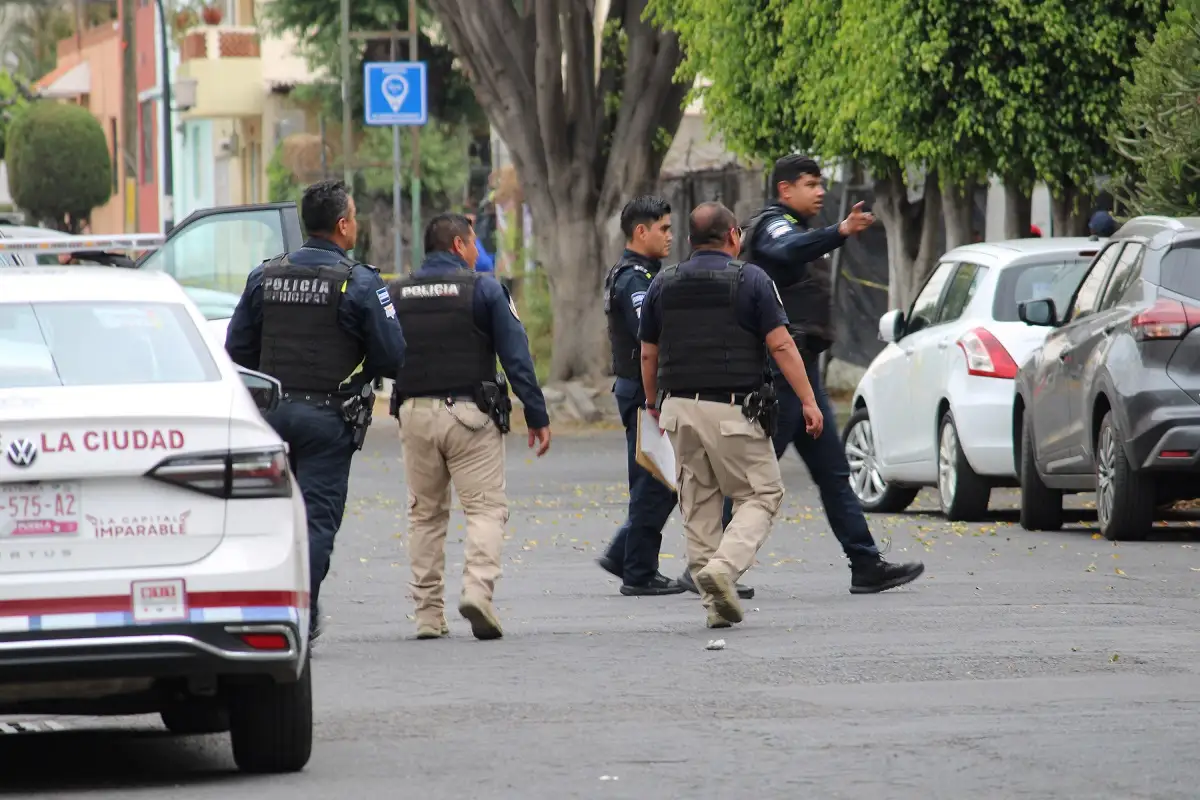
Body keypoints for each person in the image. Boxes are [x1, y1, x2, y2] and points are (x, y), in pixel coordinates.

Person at [722, 154, 924, 595]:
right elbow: (786, 249)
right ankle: (713, 564)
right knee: (750, 475)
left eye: (819, 183)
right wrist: (840, 232)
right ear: (784, 190)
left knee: (833, 473)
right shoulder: (775, 224)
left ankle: (865, 564)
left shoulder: (792, 225)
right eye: (810, 184)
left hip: (801, 372)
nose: (819, 191)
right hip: (779, 375)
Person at [225, 179, 407, 642]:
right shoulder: (359, 280)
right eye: (355, 217)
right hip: (328, 418)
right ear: (343, 224)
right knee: (316, 521)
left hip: (268, 419)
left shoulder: (264, 275)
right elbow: (392, 354)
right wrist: (361, 377)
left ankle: (269, 606)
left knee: (269, 516)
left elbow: (236, 349)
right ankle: (298, 615)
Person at [638, 201, 823, 628]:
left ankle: (713, 607)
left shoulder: (663, 283)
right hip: (733, 409)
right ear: (734, 236)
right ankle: (725, 567)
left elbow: (648, 353)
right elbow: (780, 345)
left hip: (677, 411)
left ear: (689, 241)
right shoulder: (752, 279)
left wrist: (651, 405)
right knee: (762, 493)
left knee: (699, 503)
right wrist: (809, 401)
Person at [388, 212, 552, 641]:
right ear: (459, 245)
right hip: (470, 416)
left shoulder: (395, 293)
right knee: (484, 509)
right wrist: (536, 414)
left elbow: (378, 350)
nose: (478, 250)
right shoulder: (484, 289)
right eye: (474, 242)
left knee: (425, 516)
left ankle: (427, 615)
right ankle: (477, 592)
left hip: (414, 413)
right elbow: (516, 355)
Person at [596, 196, 693, 597]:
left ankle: (625, 554)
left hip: (644, 388)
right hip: (643, 391)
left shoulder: (647, 273)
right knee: (654, 480)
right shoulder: (635, 278)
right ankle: (637, 571)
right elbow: (650, 332)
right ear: (641, 231)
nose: (670, 236)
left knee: (661, 479)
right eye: (664, 229)